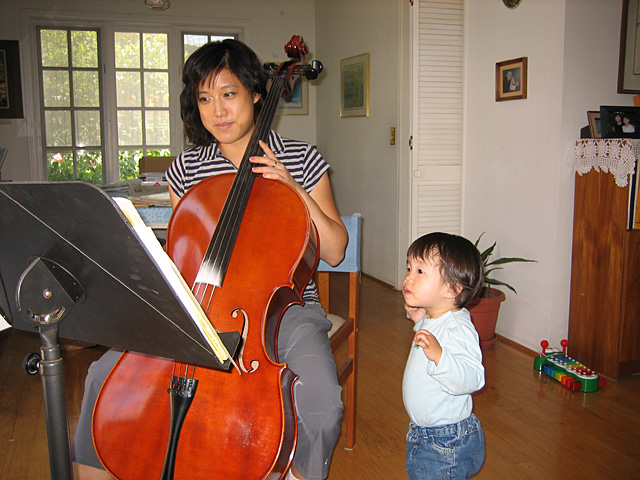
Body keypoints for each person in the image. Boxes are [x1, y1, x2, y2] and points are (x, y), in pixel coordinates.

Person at [71, 39, 347, 480]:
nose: (217, 110)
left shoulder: (301, 158)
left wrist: (292, 187)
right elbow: (182, 254)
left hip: (283, 309)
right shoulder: (188, 168)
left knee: (323, 402)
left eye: (228, 93)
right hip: (198, 304)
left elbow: (333, 249)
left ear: (257, 93)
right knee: (105, 373)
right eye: (204, 98)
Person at [402, 232, 486, 480]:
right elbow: (431, 340)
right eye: (409, 267)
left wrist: (440, 356)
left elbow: (473, 378)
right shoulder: (435, 318)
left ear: (451, 288)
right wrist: (419, 322)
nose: (408, 276)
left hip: (445, 442)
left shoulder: (458, 328)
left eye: (420, 271)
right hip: (428, 435)